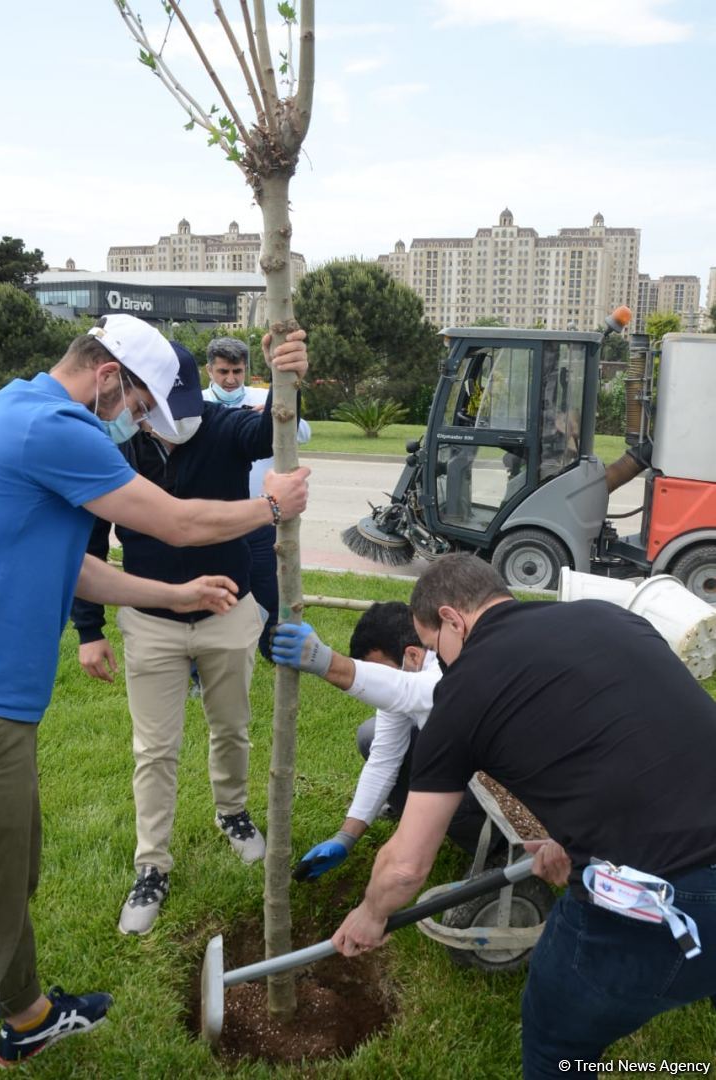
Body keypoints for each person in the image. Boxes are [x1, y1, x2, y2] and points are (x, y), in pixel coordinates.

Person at [0, 313, 309, 1067]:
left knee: (16, 866)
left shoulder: (16, 406)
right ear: (109, 376)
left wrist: (170, 599)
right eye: (137, 407)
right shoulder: (59, 429)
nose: (136, 422)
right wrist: (272, 508)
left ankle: (28, 1013)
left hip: (12, 696)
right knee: (0, 878)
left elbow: (75, 566)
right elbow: (173, 523)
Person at [329, 553, 716, 1078]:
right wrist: (572, 842)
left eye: (437, 647)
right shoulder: (608, 616)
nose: (441, 662)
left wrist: (371, 915)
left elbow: (405, 867)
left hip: (669, 897)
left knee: (558, 1039)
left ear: (453, 619)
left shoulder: (461, 695)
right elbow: (629, 742)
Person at [72, 335, 309, 936]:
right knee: (153, 750)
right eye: (146, 404)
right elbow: (91, 544)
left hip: (227, 614)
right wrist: (89, 630)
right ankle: (151, 864)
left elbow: (272, 432)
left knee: (231, 727)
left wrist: (289, 381)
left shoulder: (224, 427)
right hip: (149, 621)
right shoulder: (115, 449)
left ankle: (232, 812)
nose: (156, 416)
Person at [272, 602, 490, 881]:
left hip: (500, 788)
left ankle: (491, 848)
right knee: (371, 735)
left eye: (382, 672)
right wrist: (345, 837)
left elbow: (407, 691)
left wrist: (326, 662)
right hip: (464, 760)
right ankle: (425, 815)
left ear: (412, 655)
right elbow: (383, 760)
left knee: (436, 774)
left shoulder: (449, 668)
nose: (380, 682)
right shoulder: (408, 674)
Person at [203, 336, 311, 659]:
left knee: (268, 588)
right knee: (214, 590)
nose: (231, 379)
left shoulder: (266, 397)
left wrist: (272, 418)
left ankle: (274, 651)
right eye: (223, 371)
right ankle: (204, 661)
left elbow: (302, 432)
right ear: (209, 370)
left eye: (237, 371)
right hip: (215, 519)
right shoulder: (197, 404)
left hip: (263, 517)